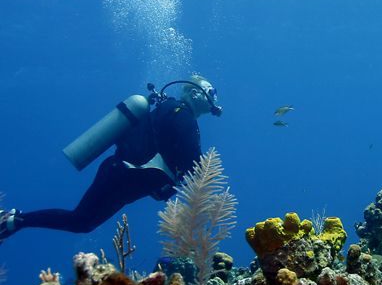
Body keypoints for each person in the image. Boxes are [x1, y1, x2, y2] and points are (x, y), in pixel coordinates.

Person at [0, 75, 221, 242]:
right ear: (195, 93)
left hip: (122, 173)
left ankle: (14, 221)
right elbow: (195, 163)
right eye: (211, 92)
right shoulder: (182, 115)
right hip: (125, 175)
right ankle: (16, 220)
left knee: (82, 222)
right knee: (81, 221)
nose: (213, 99)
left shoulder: (169, 108)